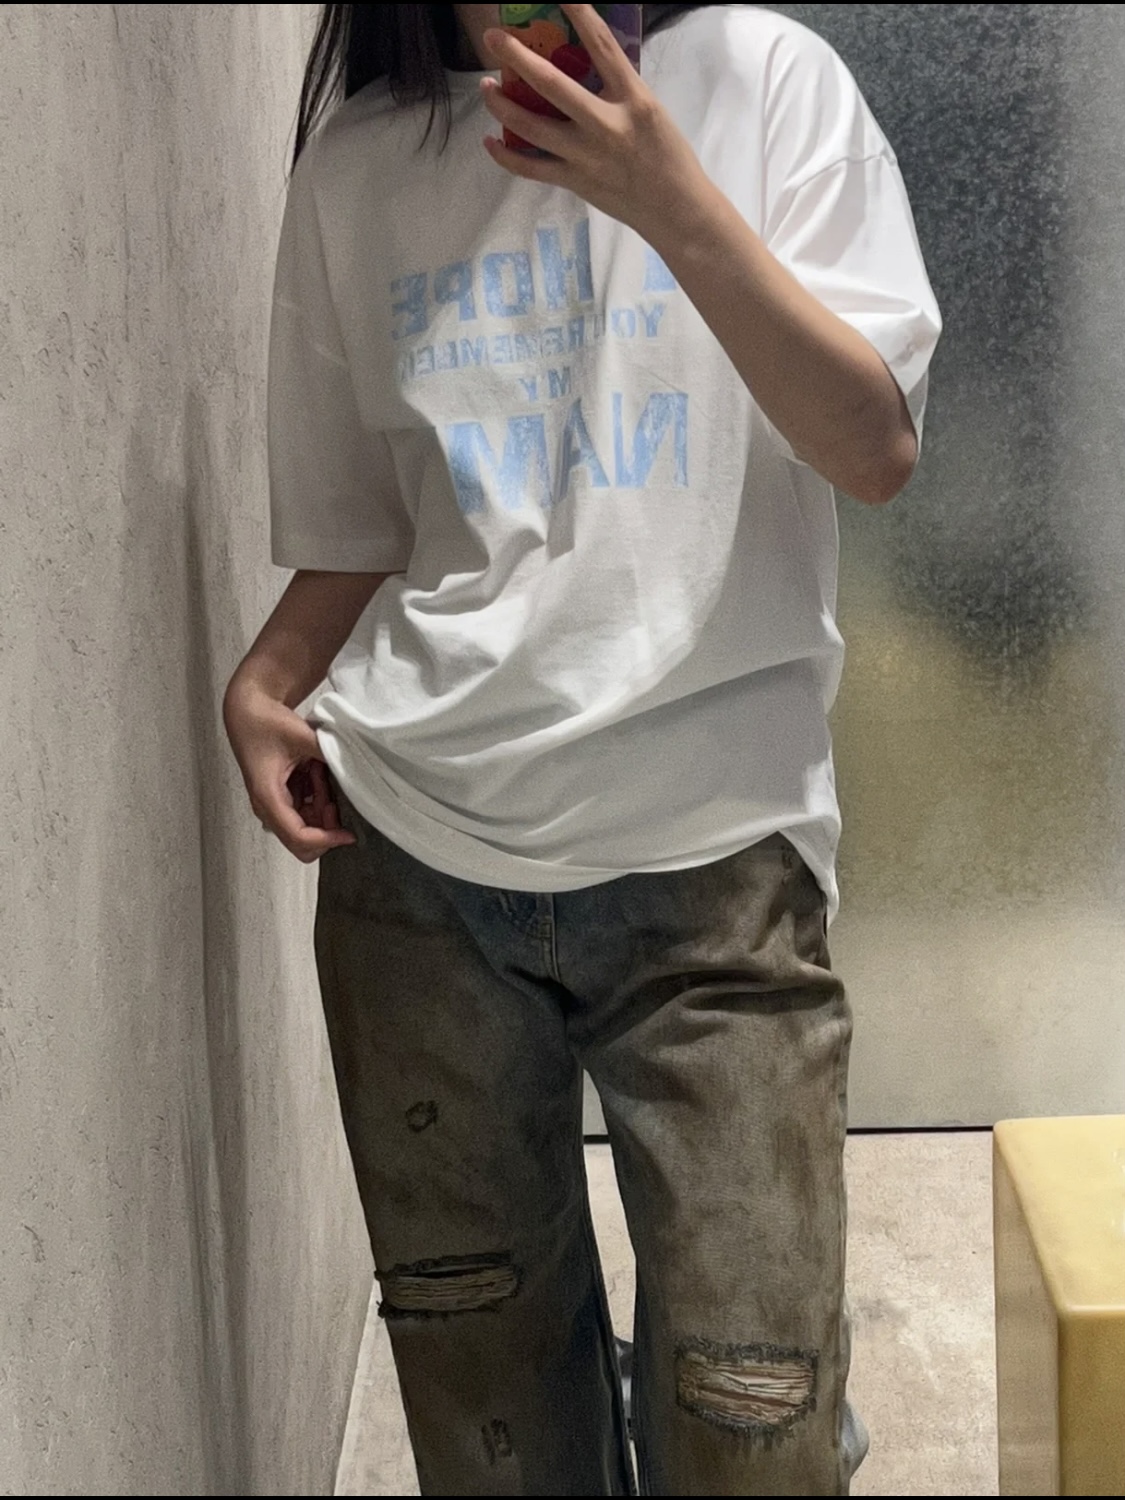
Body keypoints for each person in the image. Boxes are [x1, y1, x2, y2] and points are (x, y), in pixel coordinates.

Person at [223, 5, 940, 1493]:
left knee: (755, 1416)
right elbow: (373, 516)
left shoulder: (758, 80)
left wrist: (668, 200)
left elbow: (871, 447)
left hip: (716, 869)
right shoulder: (361, 163)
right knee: (488, 1415)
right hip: (416, 870)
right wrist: (271, 676)